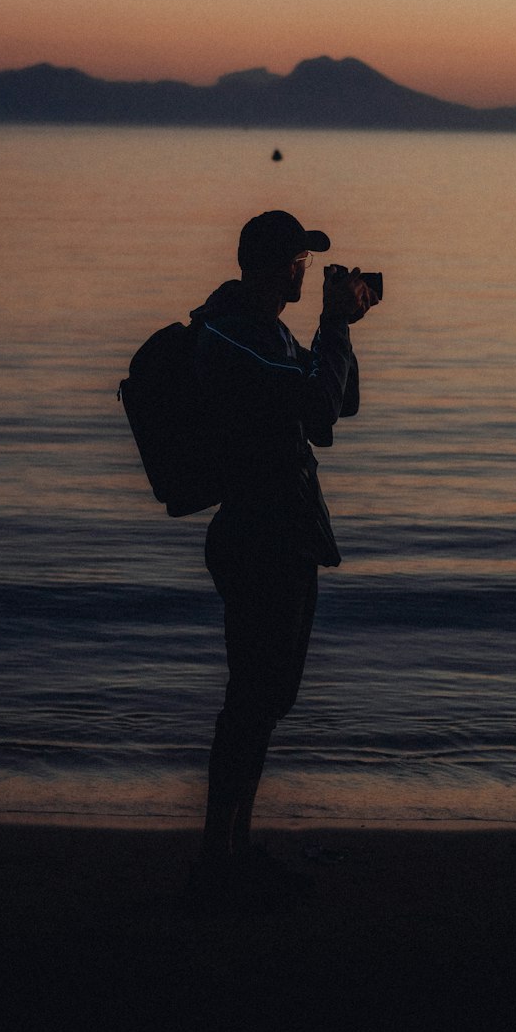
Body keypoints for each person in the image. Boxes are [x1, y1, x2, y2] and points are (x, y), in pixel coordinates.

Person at [184, 209, 377, 912]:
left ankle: (231, 847)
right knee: (252, 701)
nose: (307, 268)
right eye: (300, 259)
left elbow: (332, 412)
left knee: (268, 699)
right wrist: (337, 326)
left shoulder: (266, 330)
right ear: (271, 265)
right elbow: (318, 397)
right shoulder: (235, 334)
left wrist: (340, 327)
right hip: (260, 536)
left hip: (282, 533)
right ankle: (218, 853)